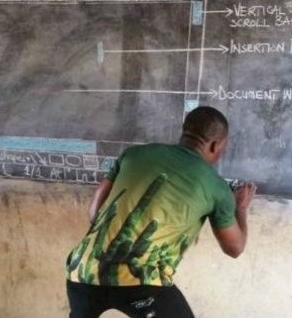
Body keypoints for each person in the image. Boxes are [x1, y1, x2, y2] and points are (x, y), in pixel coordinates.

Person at [65, 106, 257, 318]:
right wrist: (240, 208)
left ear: (184, 132)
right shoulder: (216, 186)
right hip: (140, 279)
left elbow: (95, 213)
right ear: (215, 145)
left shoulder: (134, 153)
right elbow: (235, 248)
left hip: (81, 270)